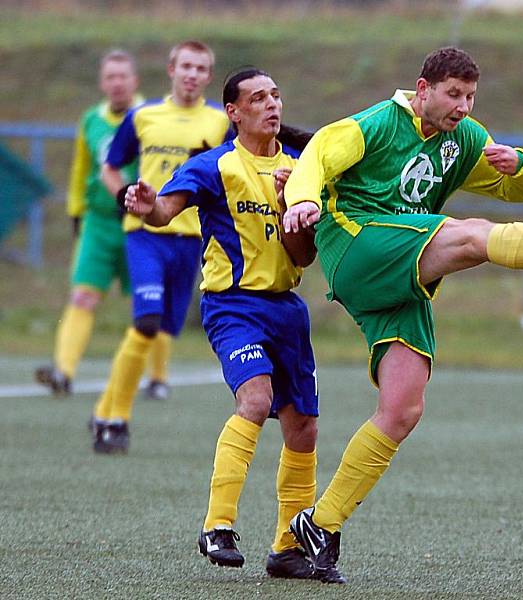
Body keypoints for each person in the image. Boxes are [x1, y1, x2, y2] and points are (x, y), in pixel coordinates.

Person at [281, 46, 523, 582]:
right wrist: (303, 199)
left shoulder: (466, 138)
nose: (464, 106)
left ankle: (321, 523)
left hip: (401, 273)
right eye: (454, 95)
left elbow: (519, 190)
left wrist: (522, 164)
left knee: (403, 408)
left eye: (471, 97)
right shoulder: (375, 124)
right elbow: (317, 155)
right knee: (471, 235)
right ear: (423, 89)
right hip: (357, 247)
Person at [125, 68, 322, 579]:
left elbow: (303, 253)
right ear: (233, 113)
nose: (271, 105)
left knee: (303, 427)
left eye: (276, 95)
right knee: (255, 400)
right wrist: (148, 207)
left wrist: (289, 205)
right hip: (233, 305)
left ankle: (288, 548)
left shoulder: (300, 169)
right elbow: (166, 211)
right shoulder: (215, 165)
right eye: (258, 98)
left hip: (286, 311)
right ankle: (218, 525)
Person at [91, 40, 232, 453]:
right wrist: (125, 199)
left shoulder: (220, 123)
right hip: (145, 234)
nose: (191, 74)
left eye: (200, 68)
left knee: (161, 330)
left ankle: (103, 409)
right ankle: (116, 418)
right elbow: (110, 168)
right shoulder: (143, 116)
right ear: (171, 69)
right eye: (185, 65)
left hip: (190, 241)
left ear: (208, 76)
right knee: (147, 321)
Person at [35, 49, 147, 396]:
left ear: (134, 81)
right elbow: (81, 169)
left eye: (122, 76)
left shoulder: (150, 117)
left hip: (141, 224)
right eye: (110, 76)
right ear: (102, 82)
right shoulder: (90, 121)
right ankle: (63, 372)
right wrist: (75, 211)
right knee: (83, 296)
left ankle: (157, 378)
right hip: (99, 223)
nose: (116, 83)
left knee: (147, 303)